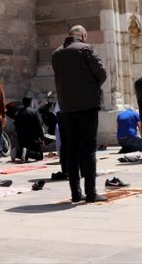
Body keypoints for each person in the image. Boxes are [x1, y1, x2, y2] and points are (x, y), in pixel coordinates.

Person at [51, 25, 108, 204]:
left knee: (72, 148)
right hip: (87, 105)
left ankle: (76, 193)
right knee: (88, 148)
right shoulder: (86, 48)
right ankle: (91, 193)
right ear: (83, 35)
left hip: (66, 107)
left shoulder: (56, 54)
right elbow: (101, 73)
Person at [14, 95, 47, 161]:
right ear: (30, 102)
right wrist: (42, 138)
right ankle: (27, 153)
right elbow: (39, 126)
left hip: (22, 141)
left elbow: (16, 127)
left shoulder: (19, 114)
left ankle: (17, 153)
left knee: (24, 153)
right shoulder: (34, 112)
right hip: (33, 140)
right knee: (40, 156)